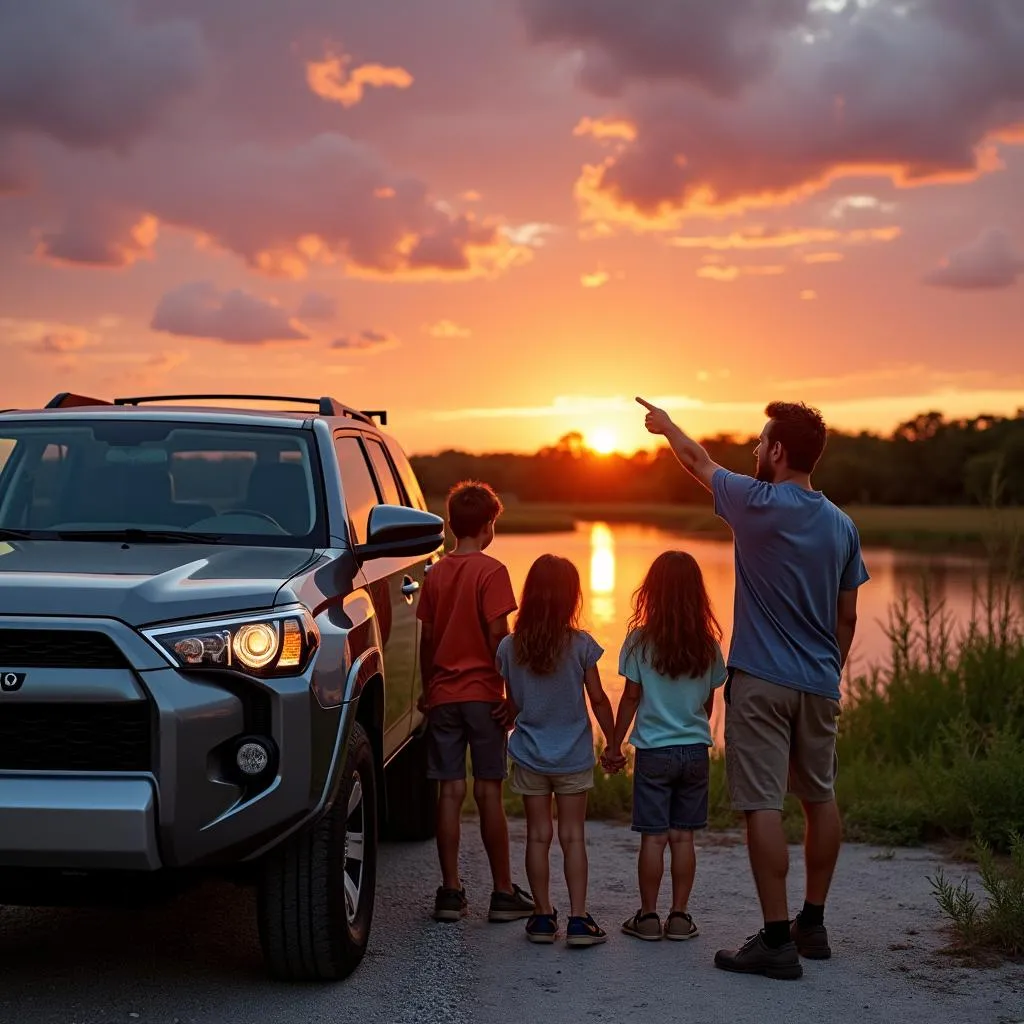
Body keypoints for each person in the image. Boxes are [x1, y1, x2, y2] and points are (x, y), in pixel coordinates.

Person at [636, 396, 869, 981]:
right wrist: (828, 671)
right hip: (820, 684)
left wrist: (665, 426)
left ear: (779, 451)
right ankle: (811, 925)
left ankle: (774, 939)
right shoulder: (843, 525)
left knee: (762, 803)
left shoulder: (754, 502)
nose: (755, 451)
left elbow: (697, 460)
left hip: (762, 684)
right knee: (820, 797)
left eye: (762, 443)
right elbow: (848, 618)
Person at [417, 480, 535, 924]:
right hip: (484, 697)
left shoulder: (436, 573)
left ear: (450, 525)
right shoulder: (492, 571)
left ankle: (450, 891)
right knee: (489, 792)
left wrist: (430, 689)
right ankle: (502, 892)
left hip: (444, 697)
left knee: (449, 792)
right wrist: (509, 690)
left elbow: (428, 639)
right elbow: (497, 635)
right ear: (489, 527)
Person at [496, 554, 622, 947]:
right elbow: (599, 699)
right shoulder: (582, 645)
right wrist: (614, 742)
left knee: (537, 837)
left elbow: (513, 702)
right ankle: (579, 921)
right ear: (572, 598)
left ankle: (541, 918)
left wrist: (509, 716)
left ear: (530, 595)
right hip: (572, 755)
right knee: (572, 837)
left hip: (531, 753)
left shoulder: (510, 646)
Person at [602, 551, 727, 943]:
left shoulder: (639, 641)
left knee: (653, 838)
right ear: (697, 595)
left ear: (651, 593)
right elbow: (708, 701)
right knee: (683, 837)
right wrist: (691, 728)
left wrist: (614, 744)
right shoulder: (707, 644)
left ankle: (648, 917)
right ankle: (679, 916)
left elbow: (630, 698)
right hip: (694, 752)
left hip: (653, 752)